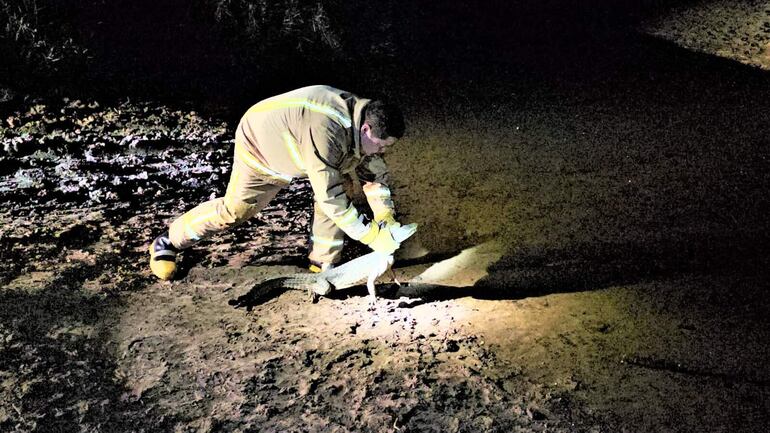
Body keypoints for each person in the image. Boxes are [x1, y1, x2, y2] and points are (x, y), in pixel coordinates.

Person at [149, 85, 406, 280]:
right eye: (381, 146)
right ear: (366, 130)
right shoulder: (326, 129)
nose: (382, 151)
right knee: (235, 211)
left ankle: (322, 263)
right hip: (260, 148)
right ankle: (168, 241)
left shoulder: (361, 121)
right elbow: (329, 194)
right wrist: (372, 236)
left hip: (301, 149)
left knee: (339, 190)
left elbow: (374, 176)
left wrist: (387, 218)